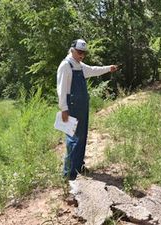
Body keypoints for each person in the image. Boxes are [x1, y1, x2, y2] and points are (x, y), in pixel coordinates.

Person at [56, 39, 118, 180]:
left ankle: (78, 167)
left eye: (83, 53)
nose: (81, 55)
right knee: (73, 138)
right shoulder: (66, 66)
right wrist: (64, 109)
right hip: (71, 108)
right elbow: (61, 90)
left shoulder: (80, 65)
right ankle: (69, 173)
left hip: (82, 106)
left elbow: (94, 70)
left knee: (82, 138)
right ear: (72, 50)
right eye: (79, 52)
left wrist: (109, 68)